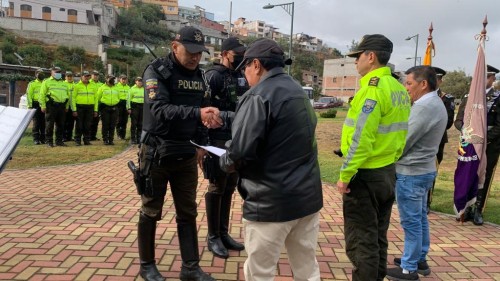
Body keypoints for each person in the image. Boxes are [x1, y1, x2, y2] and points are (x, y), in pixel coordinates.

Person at [219, 38, 323, 281]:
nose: (245, 75)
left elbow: (241, 152)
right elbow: (278, 129)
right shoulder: (297, 91)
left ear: (256, 65)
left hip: (270, 202)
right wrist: (226, 116)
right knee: (307, 268)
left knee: (260, 273)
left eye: (245, 68)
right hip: (306, 199)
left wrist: (224, 159)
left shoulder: (258, 95)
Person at [137, 26, 221, 281]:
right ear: (175, 46)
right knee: (151, 209)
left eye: (200, 52)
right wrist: (198, 113)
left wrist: (202, 145)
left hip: (186, 153)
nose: (195, 57)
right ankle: (147, 265)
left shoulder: (201, 76)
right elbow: (160, 109)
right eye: (191, 51)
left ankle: (190, 268)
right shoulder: (157, 71)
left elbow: (202, 112)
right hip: (157, 152)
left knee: (188, 212)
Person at [337, 34, 411, 280]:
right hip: (387, 171)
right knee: (378, 236)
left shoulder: (372, 89)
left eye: (358, 56)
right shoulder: (399, 89)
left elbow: (362, 139)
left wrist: (346, 175)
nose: (355, 62)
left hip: (365, 175)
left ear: (371, 56)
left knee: (362, 241)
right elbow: (400, 135)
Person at [386, 66, 447, 281]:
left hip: (411, 172)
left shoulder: (424, 106)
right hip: (423, 170)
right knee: (419, 218)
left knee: (411, 222)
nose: (406, 87)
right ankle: (418, 259)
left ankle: (408, 269)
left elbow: (404, 141)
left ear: (423, 84)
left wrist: (384, 157)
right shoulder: (434, 102)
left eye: (409, 83)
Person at [203, 36, 248, 259]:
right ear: (225, 54)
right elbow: (202, 108)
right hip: (216, 140)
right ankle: (213, 236)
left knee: (230, 186)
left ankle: (223, 233)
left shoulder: (240, 76)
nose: (239, 56)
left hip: (235, 138)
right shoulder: (213, 76)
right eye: (235, 53)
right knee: (216, 187)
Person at [454, 64, 500, 225]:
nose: (481, 80)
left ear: (493, 79)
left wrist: (484, 138)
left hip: (489, 145)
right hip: (469, 144)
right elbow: (458, 120)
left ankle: (478, 209)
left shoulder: (498, 97)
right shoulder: (469, 97)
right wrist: (465, 131)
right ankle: (465, 207)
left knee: (484, 175)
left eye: (486, 77)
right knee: (467, 173)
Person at [426, 67, 455, 213]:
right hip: (420, 139)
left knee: (431, 171)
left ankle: (427, 201)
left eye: (436, 79)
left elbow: (448, 121)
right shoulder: (420, 95)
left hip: (437, 140)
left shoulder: (446, 98)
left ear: (440, 80)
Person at [39, 66, 70, 147]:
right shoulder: (46, 82)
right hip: (51, 106)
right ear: (51, 73)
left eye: (59, 72)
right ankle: (49, 141)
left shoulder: (64, 83)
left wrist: (66, 106)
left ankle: (59, 141)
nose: (58, 74)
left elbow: (68, 96)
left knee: (60, 124)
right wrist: (43, 105)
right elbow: (42, 94)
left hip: (62, 106)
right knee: (50, 124)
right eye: (56, 72)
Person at [72, 71, 99, 146]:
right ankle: (77, 140)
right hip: (80, 107)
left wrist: (95, 110)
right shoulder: (76, 86)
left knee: (88, 125)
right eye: (85, 76)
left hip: (90, 107)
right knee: (79, 125)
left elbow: (96, 99)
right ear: (81, 77)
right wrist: (74, 109)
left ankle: (87, 140)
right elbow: (73, 98)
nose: (87, 78)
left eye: (88, 76)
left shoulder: (93, 86)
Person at [96, 75, 120, 145]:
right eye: (111, 79)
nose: (112, 80)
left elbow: (118, 97)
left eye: (113, 79)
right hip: (105, 108)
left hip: (114, 108)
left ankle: (111, 139)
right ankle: (105, 139)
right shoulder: (102, 88)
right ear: (106, 79)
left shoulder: (116, 88)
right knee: (105, 124)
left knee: (113, 125)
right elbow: (98, 98)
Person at [27, 68, 46, 145]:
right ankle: (36, 139)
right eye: (39, 73)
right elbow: (29, 95)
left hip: (44, 104)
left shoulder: (45, 83)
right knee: (36, 122)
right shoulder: (32, 84)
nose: (40, 74)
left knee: (44, 122)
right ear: (36, 75)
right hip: (35, 104)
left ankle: (43, 139)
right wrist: (30, 106)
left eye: (42, 73)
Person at [127, 77, 144, 145]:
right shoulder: (132, 89)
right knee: (134, 124)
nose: (140, 82)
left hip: (142, 107)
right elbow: (128, 99)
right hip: (134, 107)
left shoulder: (144, 89)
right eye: (138, 81)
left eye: (141, 81)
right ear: (135, 81)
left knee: (141, 124)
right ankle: (133, 139)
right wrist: (129, 108)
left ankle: (139, 138)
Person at [115, 74, 130, 140]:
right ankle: (119, 135)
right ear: (119, 79)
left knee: (125, 120)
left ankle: (123, 135)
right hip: (119, 105)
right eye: (122, 79)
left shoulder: (128, 87)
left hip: (126, 104)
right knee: (119, 120)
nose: (124, 80)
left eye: (125, 79)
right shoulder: (116, 87)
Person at [90, 70, 103, 141]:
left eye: (97, 75)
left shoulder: (101, 84)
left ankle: (93, 136)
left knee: (96, 121)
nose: (95, 76)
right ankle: (88, 136)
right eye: (94, 75)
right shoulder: (88, 83)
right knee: (89, 121)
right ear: (91, 76)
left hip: (98, 105)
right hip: (90, 104)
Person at [63, 71, 76, 142]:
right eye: (68, 76)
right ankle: (64, 137)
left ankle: (69, 136)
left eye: (71, 76)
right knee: (64, 122)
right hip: (65, 107)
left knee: (71, 123)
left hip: (73, 107)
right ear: (65, 77)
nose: (70, 78)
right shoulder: (63, 84)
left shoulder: (75, 85)